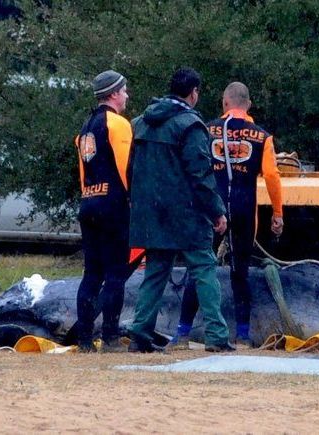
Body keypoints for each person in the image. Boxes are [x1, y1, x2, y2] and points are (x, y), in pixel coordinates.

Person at [127, 67, 235, 353]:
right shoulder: (191, 125)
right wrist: (217, 211)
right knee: (204, 269)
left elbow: (130, 169)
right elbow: (200, 175)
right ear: (193, 92)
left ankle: (140, 333)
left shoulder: (140, 123)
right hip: (186, 215)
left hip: (151, 214)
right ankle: (216, 335)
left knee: (155, 273)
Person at [171, 81, 283, 348]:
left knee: (199, 268)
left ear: (224, 103)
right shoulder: (261, 136)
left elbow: (192, 168)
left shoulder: (206, 129)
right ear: (249, 104)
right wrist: (277, 213)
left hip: (210, 207)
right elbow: (271, 175)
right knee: (240, 271)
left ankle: (182, 333)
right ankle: (242, 335)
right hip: (244, 208)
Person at [72, 70, 132, 353]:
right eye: (124, 91)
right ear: (113, 94)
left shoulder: (86, 127)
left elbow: (84, 173)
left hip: (89, 200)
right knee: (116, 273)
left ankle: (84, 338)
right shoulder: (118, 124)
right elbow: (126, 169)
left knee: (91, 273)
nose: (127, 96)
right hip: (112, 204)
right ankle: (109, 337)